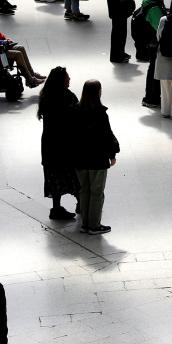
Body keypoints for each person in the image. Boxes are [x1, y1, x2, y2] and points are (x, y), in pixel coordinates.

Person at [72, 79, 119, 235]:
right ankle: (94, 225)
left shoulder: (75, 111)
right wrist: (112, 154)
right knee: (97, 192)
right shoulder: (100, 113)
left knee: (84, 190)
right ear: (98, 92)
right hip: (97, 159)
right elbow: (107, 136)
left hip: (79, 158)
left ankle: (85, 223)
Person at [37, 66, 80, 221]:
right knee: (73, 174)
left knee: (54, 176)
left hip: (49, 144)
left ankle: (56, 207)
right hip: (65, 144)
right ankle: (81, 203)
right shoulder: (68, 97)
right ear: (61, 80)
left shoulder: (46, 97)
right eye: (67, 77)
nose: (69, 80)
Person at [0, 8, 45, 86]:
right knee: (18, 54)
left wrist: (6, 39)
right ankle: (30, 79)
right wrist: (3, 42)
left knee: (21, 48)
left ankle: (31, 74)